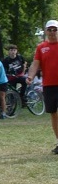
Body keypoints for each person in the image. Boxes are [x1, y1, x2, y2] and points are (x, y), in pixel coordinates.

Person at [25, 19, 58, 154]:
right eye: (49, 29)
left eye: (55, 29)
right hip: (49, 85)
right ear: (45, 31)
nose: (52, 32)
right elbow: (35, 64)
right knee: (53, 114)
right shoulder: (41, 47)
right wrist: (30, 76)